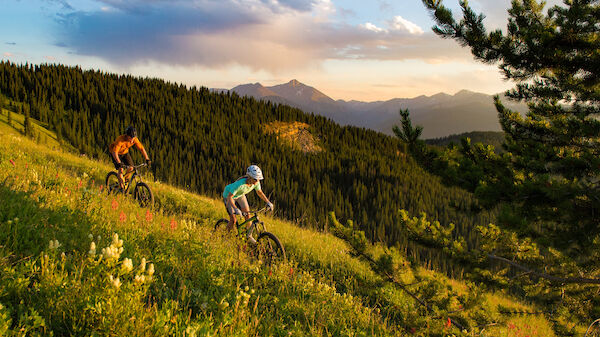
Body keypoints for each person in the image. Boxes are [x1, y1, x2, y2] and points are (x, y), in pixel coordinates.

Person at [222, 165, 274, 240]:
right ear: (250, 177)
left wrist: (268, 202)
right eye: (256, 179)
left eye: (259, 179)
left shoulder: (256, 182)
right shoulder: (240, 184)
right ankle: (224, 236)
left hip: (240, 195)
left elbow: (260, 193)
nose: (257, 181)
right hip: (228, 196)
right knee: (233, 220)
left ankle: (248, 236)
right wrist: (236, 209)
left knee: (248, 216)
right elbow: (230, 197)